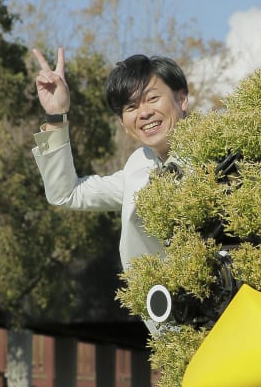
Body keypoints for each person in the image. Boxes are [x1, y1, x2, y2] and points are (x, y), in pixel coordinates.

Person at [31, 46, 190, 271]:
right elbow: (66, 194)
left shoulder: (221, 150)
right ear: (123, 124)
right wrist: (56, 116)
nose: (144, 113)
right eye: (131, 107)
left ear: (182, 99)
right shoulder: (138, 167)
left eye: (152, 98)